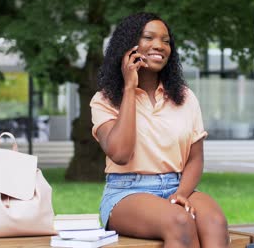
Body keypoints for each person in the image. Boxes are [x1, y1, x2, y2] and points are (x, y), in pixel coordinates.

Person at [90, 13, 229, 247]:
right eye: (148, 37)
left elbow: (195, 159)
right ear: (128, 46)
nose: (159, 45)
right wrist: (129, 88)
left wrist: (182, 193)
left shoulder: (185, 97)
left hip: (178, 187)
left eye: (165, 40)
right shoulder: (104, 100)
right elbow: (120, 153)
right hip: (127, 192)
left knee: (214, 221)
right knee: (180, 221)